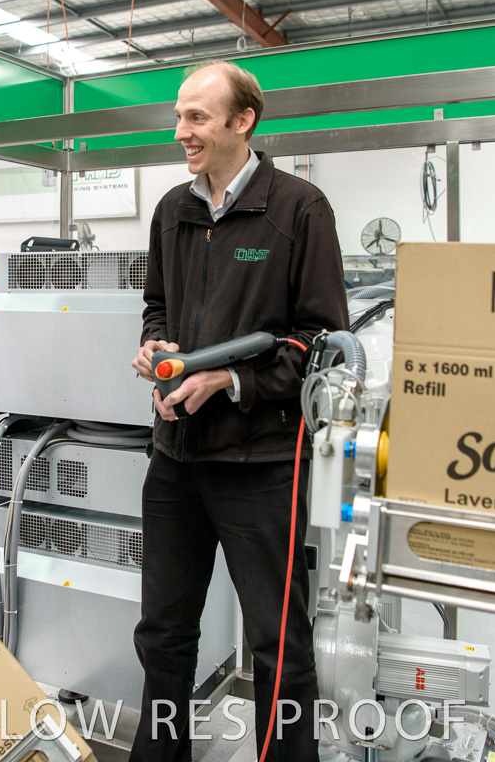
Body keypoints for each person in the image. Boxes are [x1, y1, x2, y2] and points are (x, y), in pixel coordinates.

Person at [129, 61, 348, 761]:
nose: (181, 131)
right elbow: (157, 305)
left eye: (196, 117)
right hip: (175, 456)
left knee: (277, 643)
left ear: (242, 120)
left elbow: (321, 344)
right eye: (179, 116)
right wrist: (156, 348)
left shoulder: (299, 209)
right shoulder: (173, 209)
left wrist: (229, 379)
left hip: (262, 463)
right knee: (163, 634)